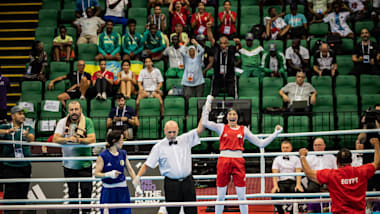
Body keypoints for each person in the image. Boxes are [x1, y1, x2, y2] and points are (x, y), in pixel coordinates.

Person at [202, 95, 283, 214]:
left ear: (238, 117)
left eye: (234, 114)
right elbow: (204, 122)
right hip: (223, 160)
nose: (232, 116)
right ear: (226, 117)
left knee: (241, 196)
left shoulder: (244, 130)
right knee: (220, 196)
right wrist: (208, 102)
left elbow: (261, 144)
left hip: (238, 161)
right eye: (230, 114)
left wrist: (275, 133)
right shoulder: (221, 128)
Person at [133, 119, 204, 214]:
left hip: (188, 182)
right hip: (171, 184)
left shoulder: (185, 139)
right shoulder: (158, 147)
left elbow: (199, 129)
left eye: (174, 132)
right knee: (172, 211)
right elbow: (147, 164)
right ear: (164, 131)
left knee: (191, 211)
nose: (172, 134)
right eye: (169, 132)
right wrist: (138, 177)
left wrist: (205, 111)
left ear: (178, 130)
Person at [299, 138, 380, 213]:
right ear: (351, 161)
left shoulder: (332, 174)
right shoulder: (361, 171)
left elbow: (308, 172)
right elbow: (377, 163)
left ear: (337, 162)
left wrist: (302, 156)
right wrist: (376, 145)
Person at [53, 101, 96, 214]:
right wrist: (67, 139)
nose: (74, 112)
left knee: (87, 192)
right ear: (68, 111)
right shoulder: (62, 122)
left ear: (81, 110)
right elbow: (55, 139)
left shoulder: (87, 121)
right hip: (69, 165)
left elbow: (92, 139)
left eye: (76, 109)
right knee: (72, 193)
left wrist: (80, 140)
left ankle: (86, 212)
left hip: (85, 164)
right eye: (71, 110)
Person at [94, 129, 141, 214]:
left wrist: (136, 186)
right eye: (121, 140)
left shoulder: (123, 153)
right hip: (108, 191)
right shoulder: (103, 156)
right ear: (114, 141)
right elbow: (96, 174)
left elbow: (130, 170)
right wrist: (108, 174)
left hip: (122, 190)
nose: (123, 142)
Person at [0, 106, 35, 214]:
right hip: (9, 166)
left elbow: (32, 138)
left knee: (22, 196)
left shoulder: (28, 127)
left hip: (24, 166)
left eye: (23, 114)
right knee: (10, 196)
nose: (23, 116)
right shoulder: (5, 126)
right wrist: (7, 131)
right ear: (13, 115)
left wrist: (27, 135)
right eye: (20, 114)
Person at [206, 21, 238, 99]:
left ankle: (233, 110)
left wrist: (239, 43)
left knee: (232, 94)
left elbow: (239, 47)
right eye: (221, 43)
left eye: (224, 43)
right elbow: (211, 39)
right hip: (218, 75)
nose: (223, 45)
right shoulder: (217, 48)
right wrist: (208, 28)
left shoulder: (231, 49)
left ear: (227, 44)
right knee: (214, 94)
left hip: (229, 75)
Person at [305, 138, 337, 213]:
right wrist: (316, 180)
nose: (317, 147)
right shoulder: (309, 157)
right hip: (314, 179)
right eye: (315, 145)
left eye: (319, 145)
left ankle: (328, 208)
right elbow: (306, 172)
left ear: (324, 146)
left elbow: (336, 171)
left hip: (328, 180)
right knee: (311, 189)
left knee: (331, 188)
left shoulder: (331, 157)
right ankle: (311, 209)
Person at [271, 140, 304, 214]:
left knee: (299, 192)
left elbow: (298, 172)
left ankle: (293, 211)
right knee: (275, 194)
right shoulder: (277, 159)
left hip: (293, 181)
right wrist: (275, 186)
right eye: (283, 148)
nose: (285, 149)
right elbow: (274, 173)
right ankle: (280, 212)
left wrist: (298, 184)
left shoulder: (296, 158)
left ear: (291, 148)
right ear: (281, 148)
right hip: (282, 182)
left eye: (287, 147)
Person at [180, 38, 205, 103]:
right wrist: (185, 44)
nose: (191, 52)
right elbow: (181, 51)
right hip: (187, 81)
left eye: (193, 50)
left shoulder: (198, 57)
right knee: (187, 97)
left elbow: (202, 50)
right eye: (190, 51)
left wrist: (196, 43)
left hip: (198, 80)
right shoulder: (186, 57)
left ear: (195, 51)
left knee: (199, 99)